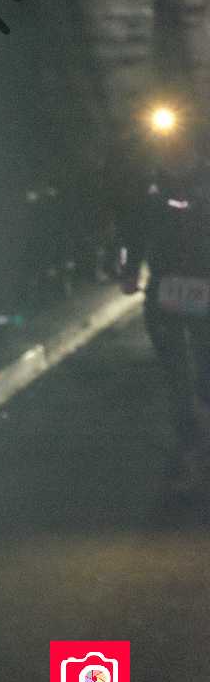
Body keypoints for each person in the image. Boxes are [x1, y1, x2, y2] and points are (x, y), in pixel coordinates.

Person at [117, 123, 210, 496]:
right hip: (166, 287)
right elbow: (135, 230)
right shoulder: (150, 190)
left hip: (198, 283)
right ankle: (189, 442)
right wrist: (129, 271)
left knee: (200, 367)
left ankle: (195, 438)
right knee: (177, 372)